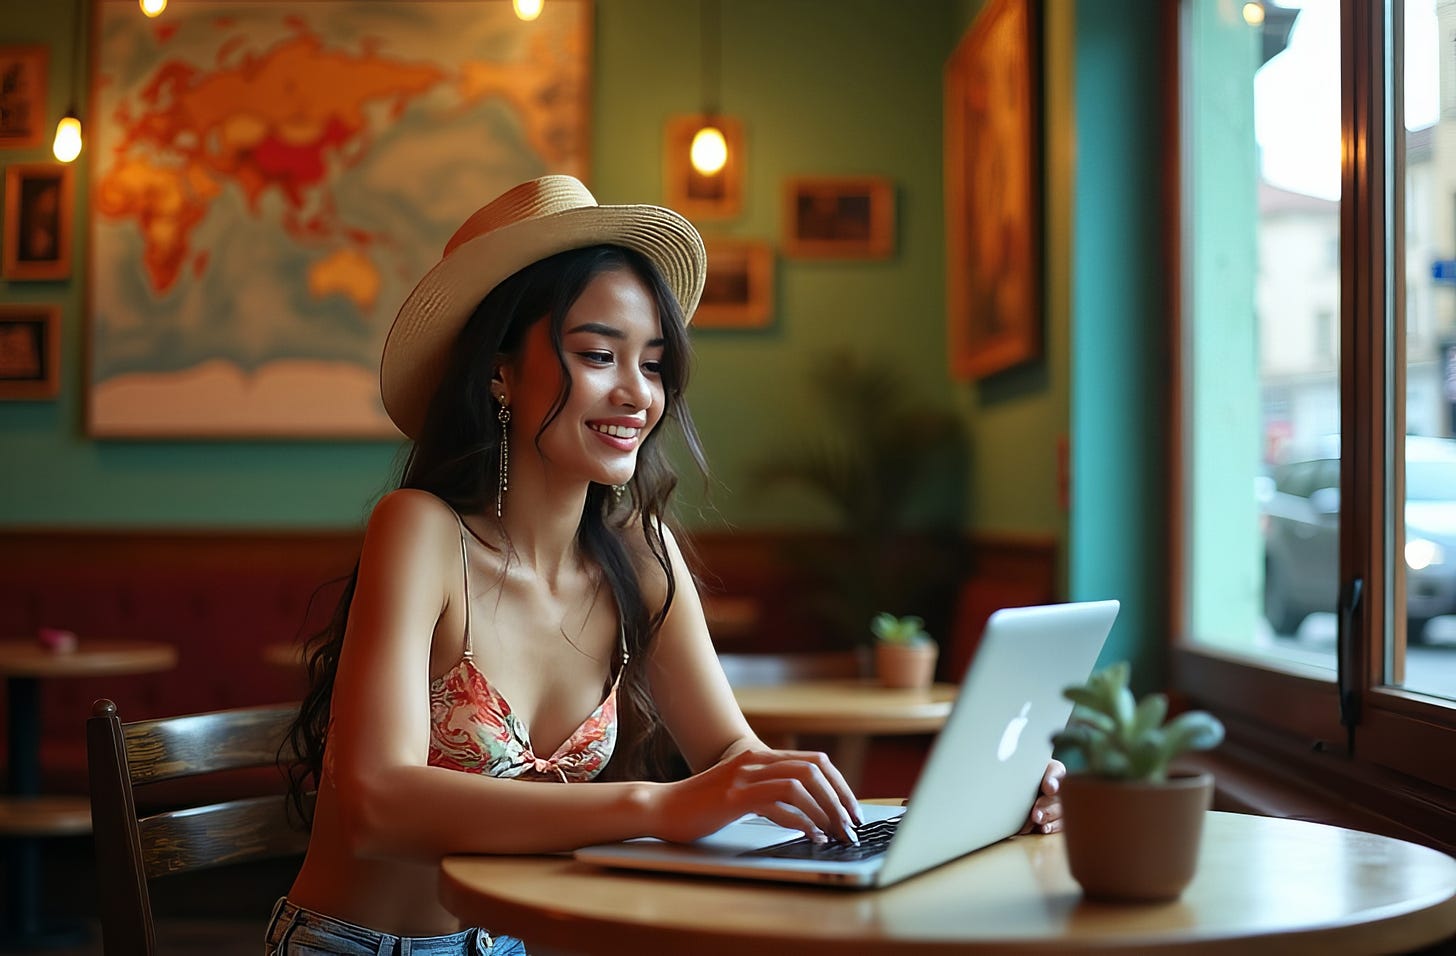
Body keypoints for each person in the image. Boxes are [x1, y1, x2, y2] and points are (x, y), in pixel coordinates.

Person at [269, 175, 1066, 954]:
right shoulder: (421, 531)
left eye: (652, 364)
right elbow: (378, 802)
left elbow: (733, 757)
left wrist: (977, 803)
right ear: (499, 371)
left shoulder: (642, 557)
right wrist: (658, 805)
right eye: (597, 354)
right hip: (356, 944)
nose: (637, 396)